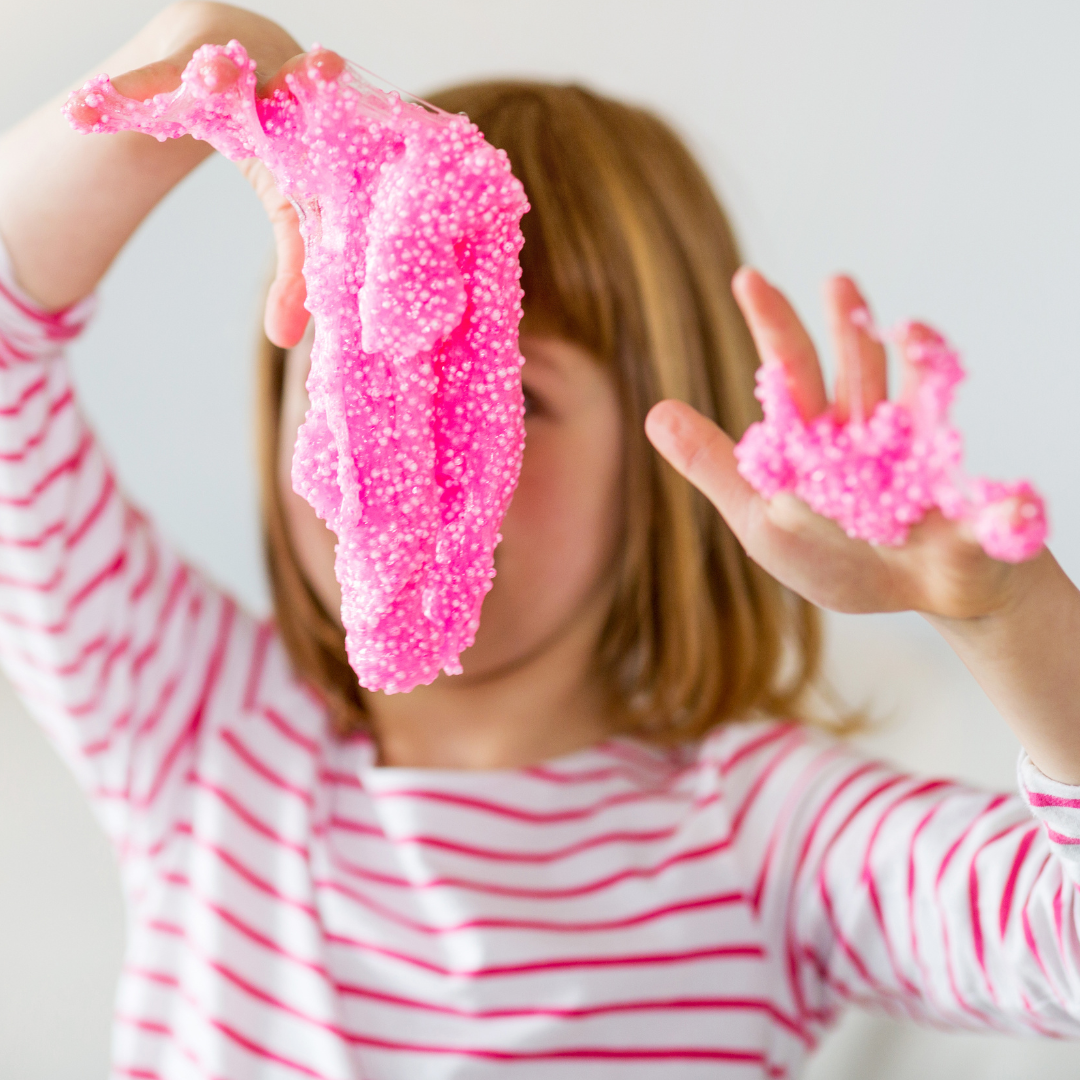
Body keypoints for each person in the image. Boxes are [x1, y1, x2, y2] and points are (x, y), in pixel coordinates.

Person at [2, 3, 1080, 1077]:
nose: (408, 430)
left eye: (507, 391)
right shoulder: (200, 729)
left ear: (665, 463)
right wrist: (193, 54)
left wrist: (1007, 612)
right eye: (357, 355)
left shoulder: (767, 841)